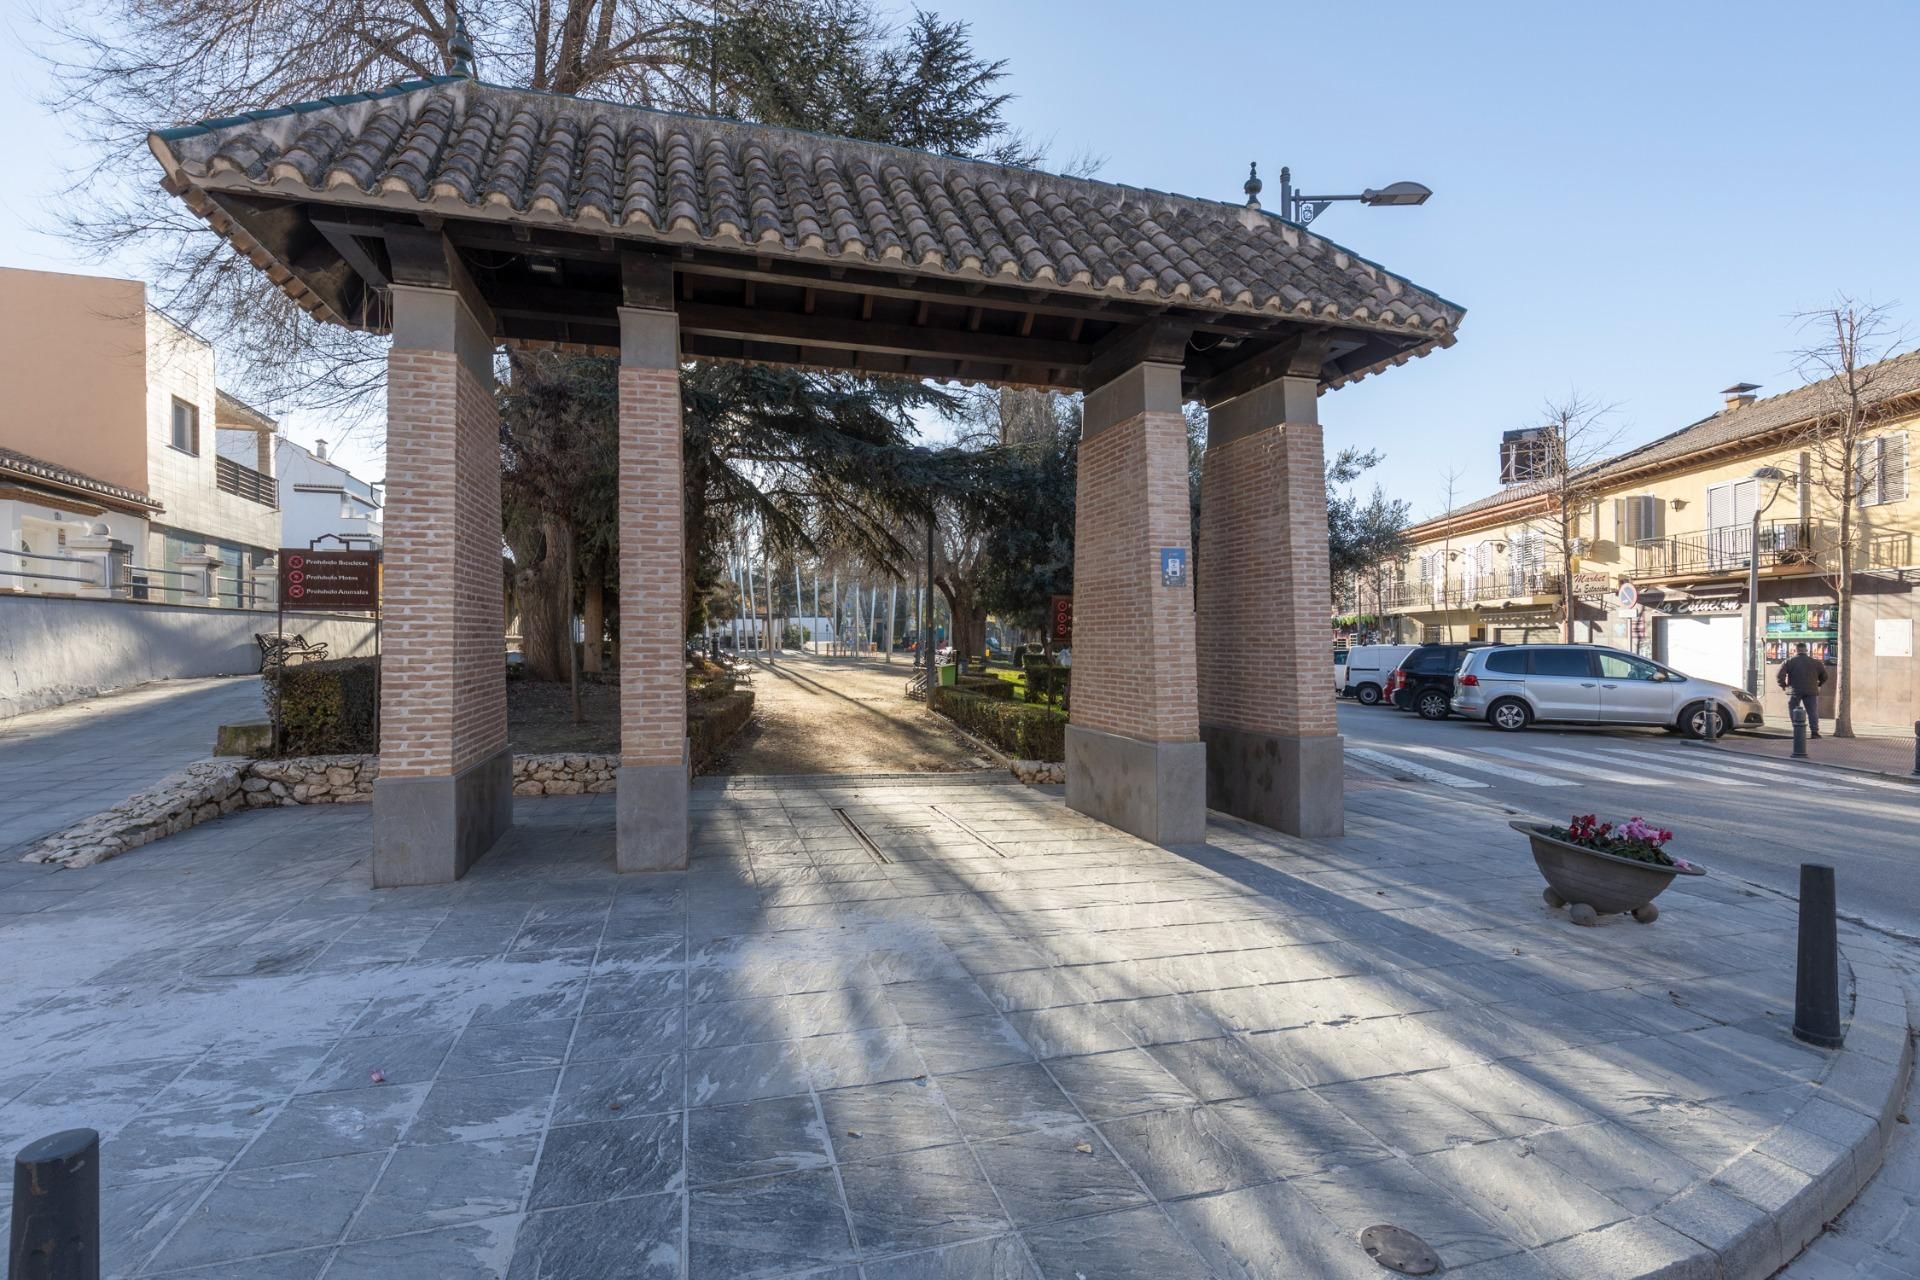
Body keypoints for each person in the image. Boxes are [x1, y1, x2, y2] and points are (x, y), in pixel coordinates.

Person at [1776, 642, 1828, 738]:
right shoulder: (1816, 662)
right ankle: (1814, 732)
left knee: (1793, 709)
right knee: (1812, 711)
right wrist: (1819, 684)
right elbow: (1824, 676)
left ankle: (1797, 730)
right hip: (1811, 690)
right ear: (1806, 650)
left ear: (1795, 650)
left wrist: (1783, 685)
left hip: (1794, 690)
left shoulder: (1789, 661)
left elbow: (1780, 675)